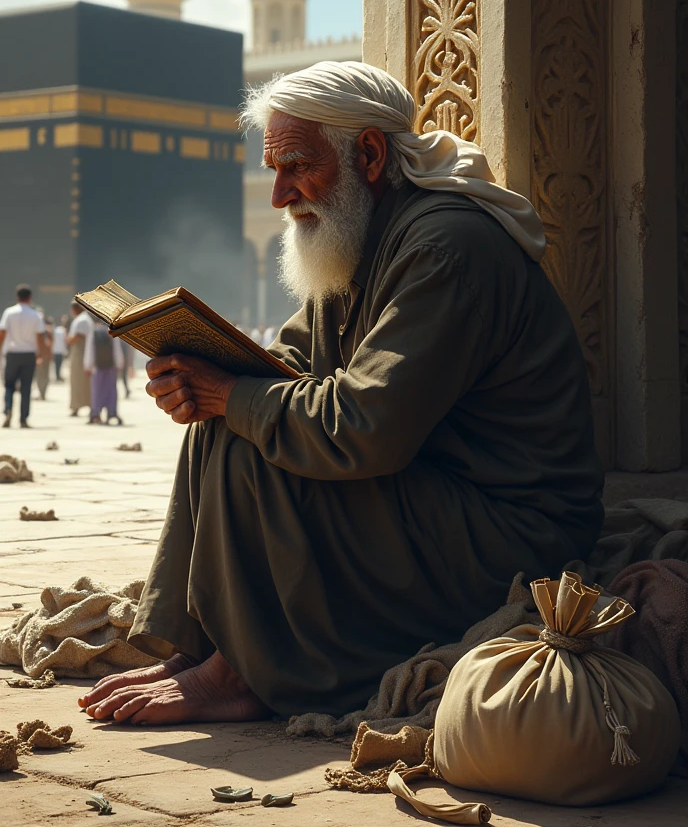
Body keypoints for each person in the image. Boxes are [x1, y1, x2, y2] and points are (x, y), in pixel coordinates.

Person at [79, 61, 604, 728]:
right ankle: (206, 647)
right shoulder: (357, 236)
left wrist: (232, 394)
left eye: (296, 165)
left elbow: (364, 426)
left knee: (242, 433)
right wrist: (200, 369)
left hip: (509, 533)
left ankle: (246, 673)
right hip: (432, 496)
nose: (279, 195)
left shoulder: (446, 246)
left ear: (370, 154)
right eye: (273, 169)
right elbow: (296, 360)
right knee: (220, 420)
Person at [0, 284, 46, 428]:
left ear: (17, 296)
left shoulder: (9, 312)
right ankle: (23, 419)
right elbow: (40, 337)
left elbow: (2, 334)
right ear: (29, 298)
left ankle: (8, 409)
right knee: (26, 388)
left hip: (12, 354)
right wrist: (40, 354)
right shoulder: (35, 315)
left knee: (9, 385)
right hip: (28, 355)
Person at [84, 325, 124, 425]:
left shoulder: (93, 332)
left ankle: (95, 414)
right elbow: (116, 349)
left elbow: (90, 350)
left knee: (97, 392)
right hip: (110, 367)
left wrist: (88, 365)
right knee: (111, 391)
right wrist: (119, 362)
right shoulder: (112, 332)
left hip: (97, 368)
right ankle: (111, 413)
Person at [67, 302, 92, 416]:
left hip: (80, 354)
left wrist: (68, 340)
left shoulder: (82, 320)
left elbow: (79, 336)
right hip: (78, 353)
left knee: (79, 381)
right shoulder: (82, 319)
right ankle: (78, 405)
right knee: (77, 381)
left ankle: (79, 406)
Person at [35, 315, 54, 400]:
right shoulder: (47, 329)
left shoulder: (44, 330)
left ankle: (42, 393)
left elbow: (48, 343)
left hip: (42, 355)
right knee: (44, 375)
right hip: (45, 355)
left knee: (41, 376)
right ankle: (42, 393)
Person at [53, 316, 68, 382]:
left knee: (56, 365)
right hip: (60, 350)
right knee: (59, 365)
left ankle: (57, 376)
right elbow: (65, 341)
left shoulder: (54, 330)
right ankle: (58, 376)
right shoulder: (63, 330)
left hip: (55, 350)